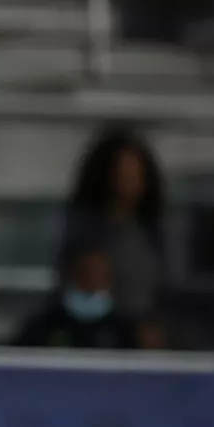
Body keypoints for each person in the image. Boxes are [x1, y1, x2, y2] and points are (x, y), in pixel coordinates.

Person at [61, 128, 167, 347]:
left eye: (133, 175)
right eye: (120, 175)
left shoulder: (156, 233)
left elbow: (167, 290)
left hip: (145, 338)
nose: (126, 183)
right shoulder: (82, 232)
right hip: (96, 337)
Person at [14, 230, 139, 350]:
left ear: (109, 278)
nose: (92, 281)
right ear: (72, 274)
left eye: (99, 275)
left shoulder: (123, 330)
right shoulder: (45, 325)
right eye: (85, 274)